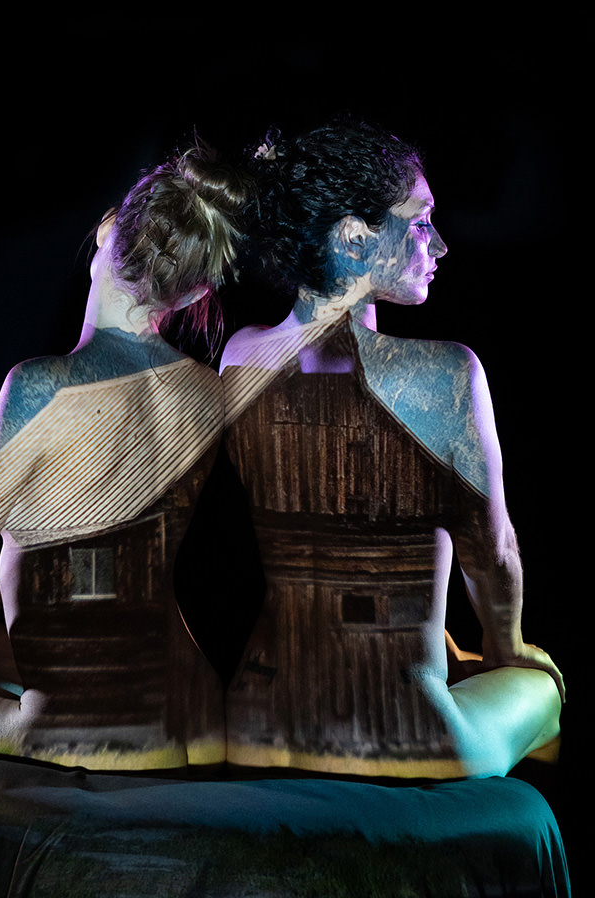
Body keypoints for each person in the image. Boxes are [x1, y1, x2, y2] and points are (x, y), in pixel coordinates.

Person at [0, 140, 252, 825]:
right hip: (196, 719)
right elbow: (100, 564)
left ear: (110, 232)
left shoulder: (41, 388)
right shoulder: (210, 394)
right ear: (199, 290)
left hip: (80, 734)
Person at [218, 120, 564, 781]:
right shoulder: (446, 374)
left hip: (259, 718)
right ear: (353, 237)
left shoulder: (239, 358)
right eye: (420, 221)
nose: (439, 243)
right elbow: (492, 556)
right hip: (403, 734)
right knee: (544, 689)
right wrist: (507, 649)